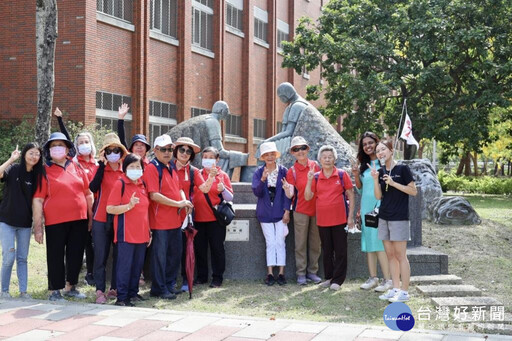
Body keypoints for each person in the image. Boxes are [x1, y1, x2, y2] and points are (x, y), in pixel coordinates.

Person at [33, 132, 93, 301]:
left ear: (67, 148)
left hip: (79, 219)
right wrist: (38, 227)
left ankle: (71, 286)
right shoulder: (44, 171)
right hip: (55, 221)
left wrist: (90, 217)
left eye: (61, 145)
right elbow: (38, 200)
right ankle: (54, 290)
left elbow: (88, 193)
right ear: (49, 150)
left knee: (76, 254)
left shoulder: (78, 167)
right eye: (53, 145)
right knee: (55, 255)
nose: (57, 148)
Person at [54, 107, 98, 286]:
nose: (83, 144)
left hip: (99, 207)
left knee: (96, 244)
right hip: (80, 209)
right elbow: (67, 142)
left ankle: (93, 272)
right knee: (83, 242)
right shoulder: (74, 162)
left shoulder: (98, 163)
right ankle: (75, 277)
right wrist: (60, 120)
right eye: (80, 142)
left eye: (86, 141)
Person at [146, 134, 193, 299]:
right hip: (160, 222)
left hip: (175, 221)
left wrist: (184, 200)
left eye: (170, 149)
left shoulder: (171, 166)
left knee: (174, 255)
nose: (168, 152)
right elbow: (154, 195)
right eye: (164, 149)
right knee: (160, 258)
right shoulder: (152, 167)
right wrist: (178, 204)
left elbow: (179, 187)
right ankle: (158, 289)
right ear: (155, 150)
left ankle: (169, 284)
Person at [370, 139, 417, 303]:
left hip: (399, 218)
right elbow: (378, 196)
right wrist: (376, 179)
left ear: (391, 150)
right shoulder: (381, 170)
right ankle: (395, 288)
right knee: (390, 255)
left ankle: (404, 291)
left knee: (400, 255)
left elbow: (413, 191)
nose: (380, 153)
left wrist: (394, 183)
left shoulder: (402, 169)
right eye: (377, 151)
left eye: (383, 149)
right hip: (384, 217)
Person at [305, 145, 355, 291]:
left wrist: (350, 217)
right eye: (324, 157)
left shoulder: (341, 174)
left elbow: (351, 194)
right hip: (322, 220)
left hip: (340, 219)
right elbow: (308, 197)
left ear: (335, 159)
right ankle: (329, 277)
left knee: (340, 250)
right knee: (326, 250)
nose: (327, 159)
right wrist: (308, 181)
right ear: (320, 160)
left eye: (330, 157)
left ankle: (338, 280)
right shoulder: (315, 177)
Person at [0, 143, 44, 298]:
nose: (34, 157)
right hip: (6, 221)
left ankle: (23, 292)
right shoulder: (13, 169)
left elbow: (38, 201)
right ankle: (4, 291)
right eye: (31, 153)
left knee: (22, 258)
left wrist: (39, 226)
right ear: (24, 154)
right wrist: (11, 159)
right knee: (9, 256)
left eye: (37, 154)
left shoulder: (37, 176)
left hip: (25, 224)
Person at [172, 137, 215, 292]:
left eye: (188, 151)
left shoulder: (193, 171)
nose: (185, 153)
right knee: (167, 249)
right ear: (176, 151)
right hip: (166, 214)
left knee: (185, 249)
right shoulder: (167, 167)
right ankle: (167, 282)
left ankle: (185, 279)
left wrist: (211, 177)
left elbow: (204, 188)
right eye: (182, 150)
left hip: (186, 215)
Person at [106, 154, 150, 306]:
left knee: (137, 266)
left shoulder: (142, 184)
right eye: (131, 166)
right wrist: (128, 206)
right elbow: (110, 208)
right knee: (125, 266)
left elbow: (145, 210)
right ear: (125, 169)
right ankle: (122, 297)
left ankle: (133, 293)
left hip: (142, 233)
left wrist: (149, 231)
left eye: (138, 166)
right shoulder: (120, 183)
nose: (135, 169)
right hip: (126, 233)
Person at [89, 133, 128, 304]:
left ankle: (114, 287)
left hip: (120, 218)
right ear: (104, 153)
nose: (113, 153)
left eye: (116, 150)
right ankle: (99, 289)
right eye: (109, 150)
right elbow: (92, 187)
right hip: (101, 218)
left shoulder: (125, 171)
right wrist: (101, 166)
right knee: (100, 255)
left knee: (118, 255)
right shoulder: (100, 170)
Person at [352, 132, 391, 292]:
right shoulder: (364, 165)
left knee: (379, 243)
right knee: (368, 243)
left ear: (376, 143)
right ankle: (373, 278)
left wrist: (381, 206)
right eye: (364, 144)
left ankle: (387, 279)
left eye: (370, 143)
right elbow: (360, 189)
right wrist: (355, 175)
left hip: (378, 207)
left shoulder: (384, 164)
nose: (368, 146)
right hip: (366, 208)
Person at [192, 146, 233, 288]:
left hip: (216, 219)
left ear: (217, 159)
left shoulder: (223, 175)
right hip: (198, 218)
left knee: (217, 249)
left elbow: (230, 197)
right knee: (200, 249)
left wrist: (224, 189)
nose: (207, 160)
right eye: (205, 157)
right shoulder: (196, 173)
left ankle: (217, 277)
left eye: (211, 157)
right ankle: (202, 276)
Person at [252, 142, 292, 286]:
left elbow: (289, 193)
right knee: (270, 242)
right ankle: (270, 273)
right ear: (262, 157)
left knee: (280, 242)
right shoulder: (258, 172)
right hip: (264, 213)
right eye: (266, 155)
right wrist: (263, 179)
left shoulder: (283, 171)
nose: (269, 157)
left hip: (281, 213)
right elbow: (257, 192)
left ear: (275, 156)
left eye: (272, 154)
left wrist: (287, 211)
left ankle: (281, 273)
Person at [285, 136, 322, 285]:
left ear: (308, 149)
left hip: (317, 210)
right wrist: (287, 209)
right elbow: (290, 195)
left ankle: (312, 272)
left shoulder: (316, 166)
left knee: (315, 243)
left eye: (302, 148)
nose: (300, 151)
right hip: (300, 210)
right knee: (300, 243)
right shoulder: (291, 171)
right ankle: (301, 273)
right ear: (292, 152)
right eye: (296, 149)